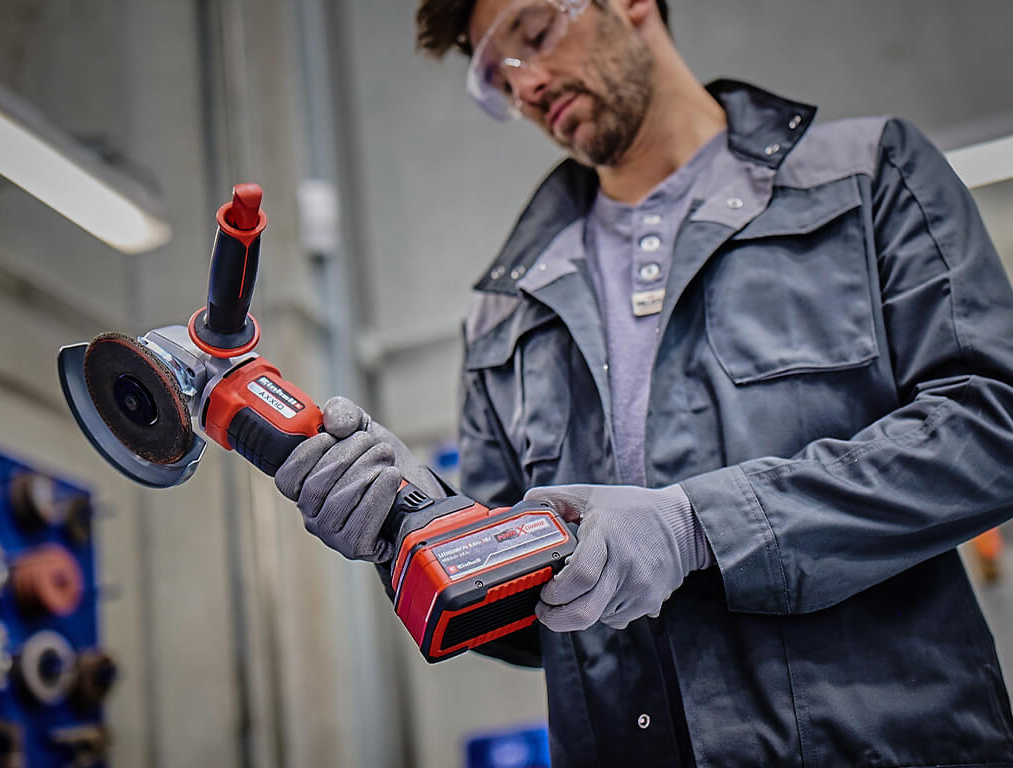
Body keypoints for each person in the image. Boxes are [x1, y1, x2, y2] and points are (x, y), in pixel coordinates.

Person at [275, 0, 1013, 764]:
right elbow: (533, 624)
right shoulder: (504, 312)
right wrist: (412, 528)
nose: (524, 87)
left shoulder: (866, 178)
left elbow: (994, 424)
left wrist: (699, 527)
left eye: (531, 35)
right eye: (497, 77)